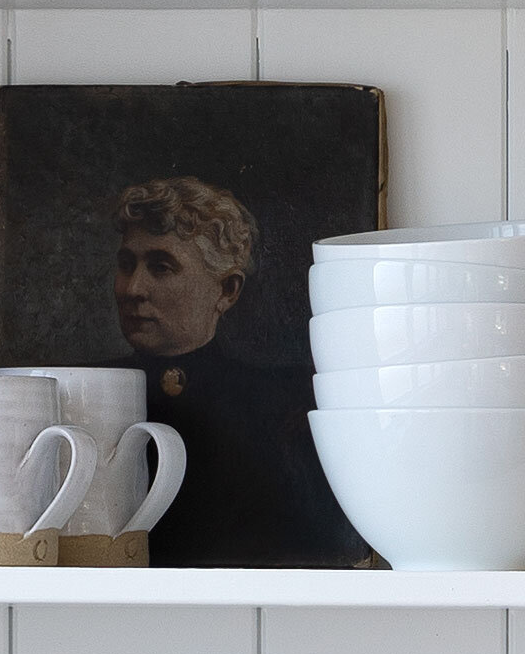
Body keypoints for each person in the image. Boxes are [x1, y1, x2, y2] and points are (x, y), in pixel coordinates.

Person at [110, 177, 367, 566]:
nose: (133, 288)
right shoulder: (89, 391)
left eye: (161, 267)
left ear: (227, 290)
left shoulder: (283, 406)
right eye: (127, 265)